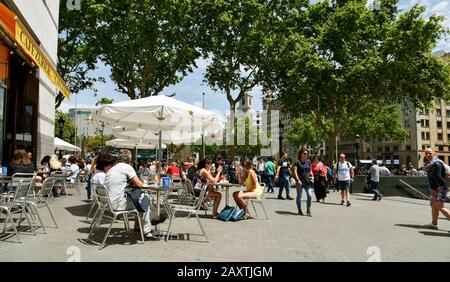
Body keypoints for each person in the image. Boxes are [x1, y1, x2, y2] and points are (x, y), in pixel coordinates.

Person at [103, 150, 159, 240]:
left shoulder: (112, 168)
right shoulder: (127, 167)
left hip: (107, 203)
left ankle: (138, 225)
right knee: (145, 197)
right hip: (117, 204)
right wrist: (150, 185)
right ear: (129, 159)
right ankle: (147, 231)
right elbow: (139, 184)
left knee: (138, 198)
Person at [423, 148, 450, 229]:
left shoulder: (437, 163)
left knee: (440, 206)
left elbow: (439, 178)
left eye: (430, 153)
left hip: (438, 187)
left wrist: (436, 189)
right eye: (426, 153)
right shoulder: (430, 163)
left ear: (434, 153)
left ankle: (434, 224)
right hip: (434, 187)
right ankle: (434, 224)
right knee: (433, 205)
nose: (428, 155)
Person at [293, 149, 313, 216]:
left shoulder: (308, 162)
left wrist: (312, 176)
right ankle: (299, 209)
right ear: (301, 154)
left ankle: (308, 209)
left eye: (307, 154)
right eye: (305, 153)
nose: (306, 155)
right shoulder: (297, 162)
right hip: (300, 182)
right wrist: (298, 180)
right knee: (299, 196)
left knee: (310, 195)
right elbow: (295, 171)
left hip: (307, 181)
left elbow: (310, 170)